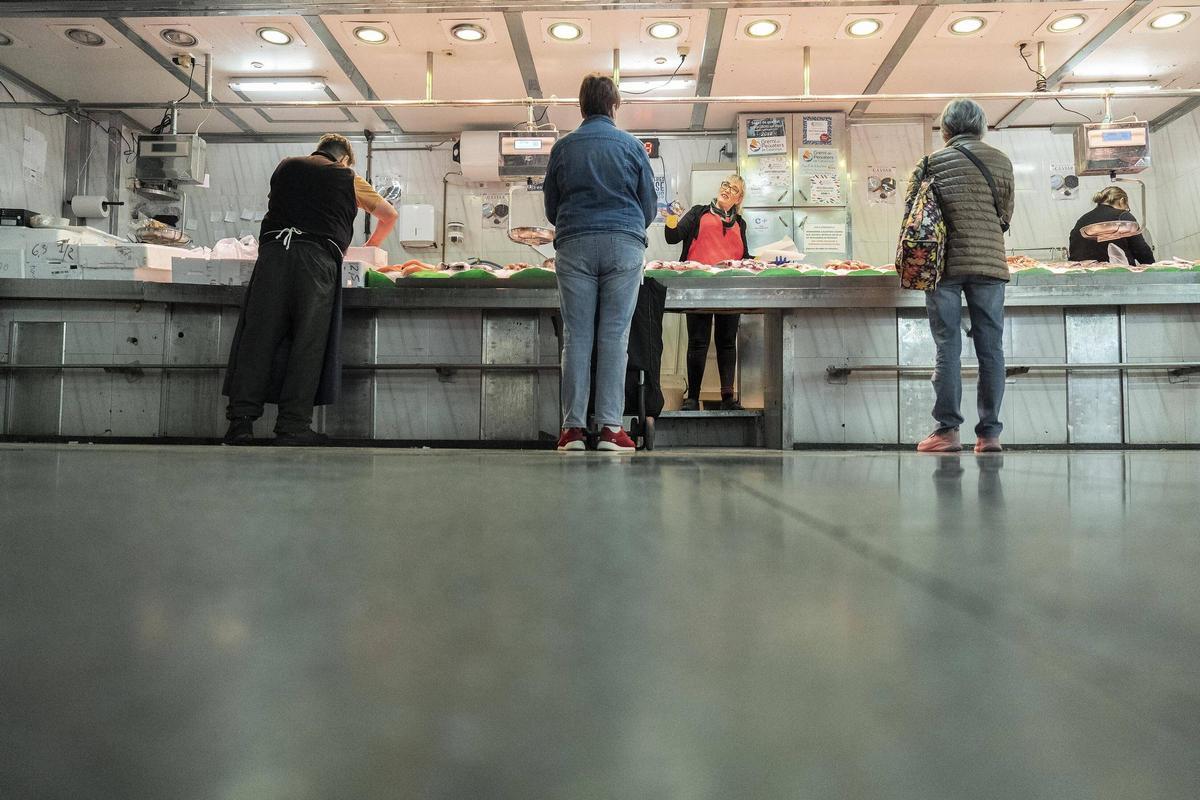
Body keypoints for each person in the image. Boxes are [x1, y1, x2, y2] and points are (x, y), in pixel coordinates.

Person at [222, 133, 398, 446]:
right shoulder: (347, 177)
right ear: (344, 158)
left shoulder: (286, 167)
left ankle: (240, 424)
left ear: (318, 151)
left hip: (273, 257)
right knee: (308, 342)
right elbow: (389, 214)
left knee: (258, 338)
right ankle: (293, 426)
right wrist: (371, 246)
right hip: (315, 262)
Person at [544, 74, 657, 453]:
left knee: (577, 338)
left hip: (574, 245)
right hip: (624, 244)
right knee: (614, 338)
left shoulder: (563, 148)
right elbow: (649, 206)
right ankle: (610, 429)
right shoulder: (631, 146)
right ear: (615, 104)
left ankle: (572, 431)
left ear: (581, 107)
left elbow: (550, 207)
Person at [908, 98, 1015, 455]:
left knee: (947, 347)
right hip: (989, 264)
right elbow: (1005, 214)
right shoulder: (1001, 161)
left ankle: (948, 431)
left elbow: (913, 215)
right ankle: (989, 436)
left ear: (946, 130)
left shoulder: (930, 163)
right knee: (991, 350)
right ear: (981, 127)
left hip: (944, 267)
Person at [664, 175, 750, 410]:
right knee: (698, 342)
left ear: (738, 198)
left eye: (733, 189)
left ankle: (727, 398)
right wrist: (670, 218)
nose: (727, 190)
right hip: (698, 287)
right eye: (725, 185)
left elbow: (744, 257)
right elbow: (672, 237)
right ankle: (692, 398)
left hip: (730, 288)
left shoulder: (740, 223)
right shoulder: (698, 213)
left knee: (726, 343)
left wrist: (766, 259)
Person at [1068, 186, 1154, 265]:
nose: (1126, 210)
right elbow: (1141, 251)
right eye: (1127, 207)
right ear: (1122, 201)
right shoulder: (1123, 216)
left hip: (1083, 277)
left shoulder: (1082, 220)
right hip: (1117, 276)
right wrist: (1154, 269)